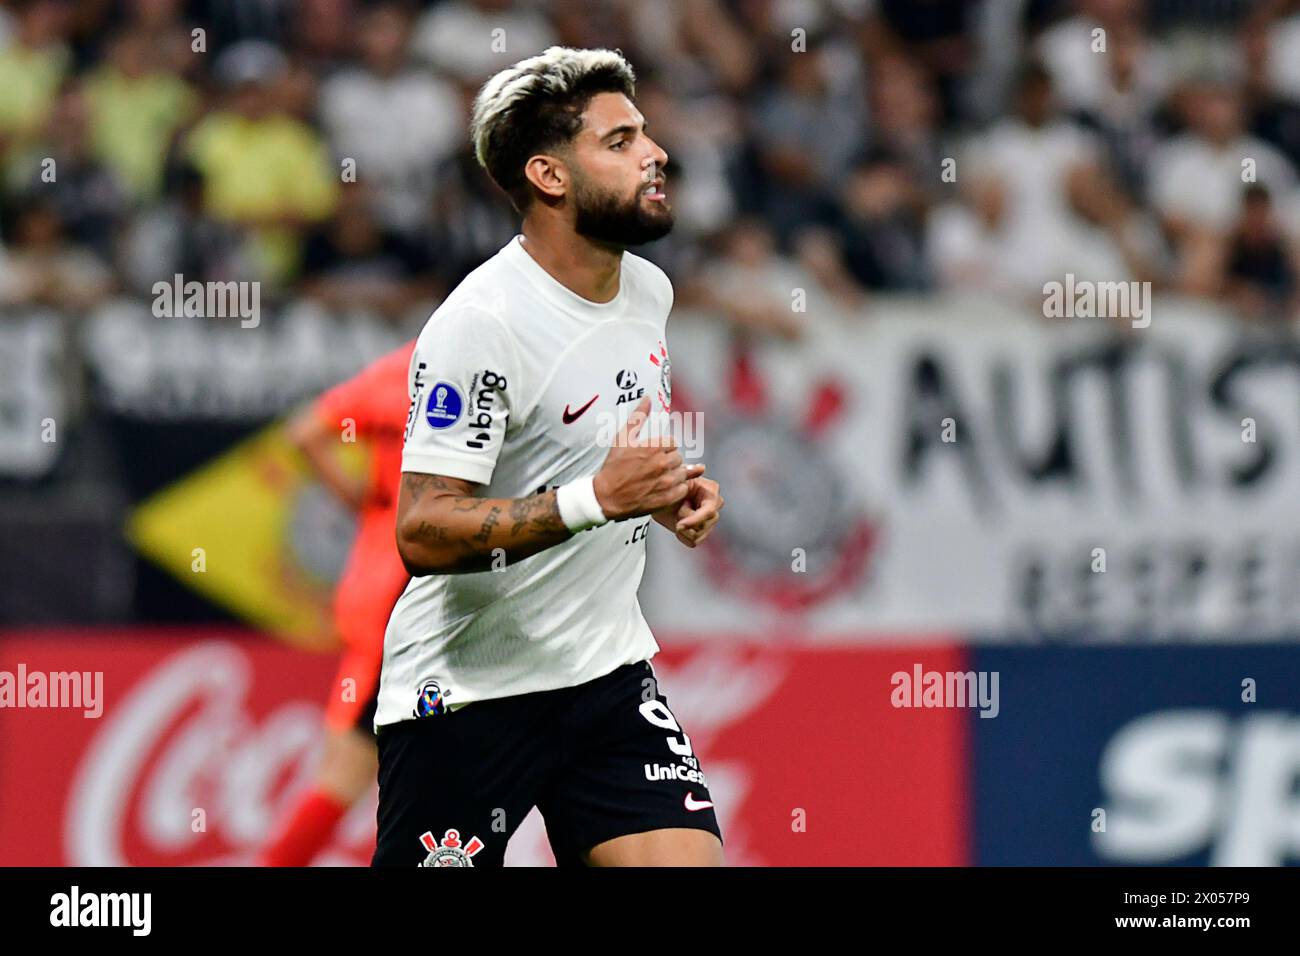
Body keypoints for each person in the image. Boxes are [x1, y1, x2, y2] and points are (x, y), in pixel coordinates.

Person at [371, 46, 725, 867]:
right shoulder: (482, 323)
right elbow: (422, 530)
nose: (655, 152)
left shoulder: (648, 291)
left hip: (605, 676)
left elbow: (597, 455)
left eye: (643, 133)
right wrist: (596, 499)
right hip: (467, 695)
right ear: (550, 176)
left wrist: (667, 494)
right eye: (619, 141)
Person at [259, 340, 414, 866]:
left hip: (375, 582)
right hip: (415, 596)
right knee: (346, 776)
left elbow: (305, 431)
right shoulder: (482, 369)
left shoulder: (396, 368)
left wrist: (362, 499)